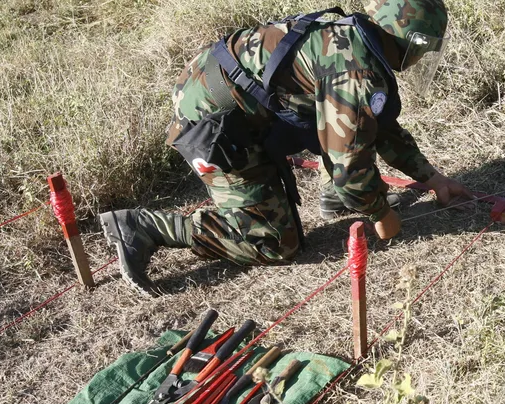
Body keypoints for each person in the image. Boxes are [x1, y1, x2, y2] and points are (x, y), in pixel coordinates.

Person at [99, 0, 473, 296]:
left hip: (230, 94)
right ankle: (146, 227)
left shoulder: (356, 40)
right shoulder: (355, 72)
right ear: (405, 38)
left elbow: (378, 128)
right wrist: (379, 213)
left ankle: (330, 198)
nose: (421, 58)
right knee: (275, 242)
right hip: (212, 117)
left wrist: (433, 179)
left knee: (347, 134)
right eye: (422, 48)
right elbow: (350, 170)